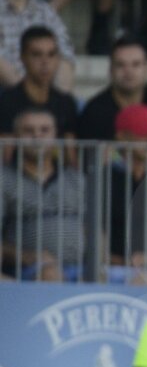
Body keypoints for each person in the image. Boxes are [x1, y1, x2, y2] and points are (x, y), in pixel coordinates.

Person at [95, 105, 147, 282]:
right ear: (122, 137)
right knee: (140, 281)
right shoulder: (103, 178)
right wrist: (124, 261)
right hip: (112, 270)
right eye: (144, 135)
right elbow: (95, 233)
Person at [0, 108, 86, 282]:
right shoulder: (4, 179)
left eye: (45, 130)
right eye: (28, 130)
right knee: (51, 275)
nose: (37, 136)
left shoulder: (76, 179)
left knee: (136, 279)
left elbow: (93, 229)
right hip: (28, 270)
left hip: (81, 267)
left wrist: (98, 263)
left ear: (56, 136)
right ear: (16, 137)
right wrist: (26, 256)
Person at [0, 0, 75, 91]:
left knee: (79, 106)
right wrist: (28, 94)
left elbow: (66, 58)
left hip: (43, 94)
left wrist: (57, 98)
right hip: (5, 95)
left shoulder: (46, 11)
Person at [0, 25, 77, 137]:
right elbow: (5, 152)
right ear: (22, 57)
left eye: (51, 54)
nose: (45, 62)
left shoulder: (66, 103)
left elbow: (70, 152)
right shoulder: (7, 102)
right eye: (37, 55)